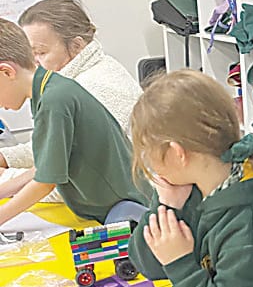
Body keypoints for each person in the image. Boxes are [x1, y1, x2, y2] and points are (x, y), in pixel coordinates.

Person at [128, 69, 253, 287]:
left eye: (148, 152)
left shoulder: (247, 215)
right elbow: (147, 264)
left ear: (176, 153)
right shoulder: (190, 187)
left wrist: (180, 263)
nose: (149, 163)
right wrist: (167, 206)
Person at [0, 17, 147, 228]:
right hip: (109, 209)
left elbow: (45, 183)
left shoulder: (54, 99)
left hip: (127, 214)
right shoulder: (46, 90)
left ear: (7, 72)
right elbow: (44, 167)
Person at [0, 0, 141, 172]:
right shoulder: (66, 83)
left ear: (77, 46)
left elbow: (74, 177)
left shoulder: (94, 88)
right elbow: (49, 147)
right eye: (29, 53)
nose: (32, 63)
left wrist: (6, 176)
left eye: (41, 52)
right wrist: (6, 158)